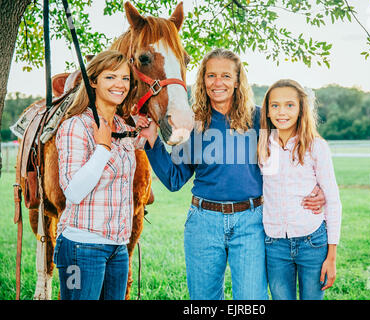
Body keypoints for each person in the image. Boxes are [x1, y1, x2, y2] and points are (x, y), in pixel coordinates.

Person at [137, 49, 326, 300]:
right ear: (203, 80)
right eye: (211, 75)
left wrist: (319, 188)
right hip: (203, 222)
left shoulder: (260, 118)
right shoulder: (193, 123)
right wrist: (153, 142)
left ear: (237, 81)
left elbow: (296, 155)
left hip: (252, 222)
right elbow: (174, 179)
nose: (218, 82)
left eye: (226, 76)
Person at [53, 50, 143, 300]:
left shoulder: (124, 129)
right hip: (82, 247)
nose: (120, 85)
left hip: (118, 248)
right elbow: (72, 191)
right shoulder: (76, 127)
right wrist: (102, 148)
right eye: (110, 77)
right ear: (93, 81)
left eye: (125, 79)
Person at [258, 79, 342, 300]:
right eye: (274, 105)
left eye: (289, 105)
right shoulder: (261, 146)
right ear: (266, 110)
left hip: (312, 242)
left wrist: (331, 256)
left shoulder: (316, 146)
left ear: (301, 109)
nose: (281, 112)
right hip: (274, 245)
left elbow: (333, 200)